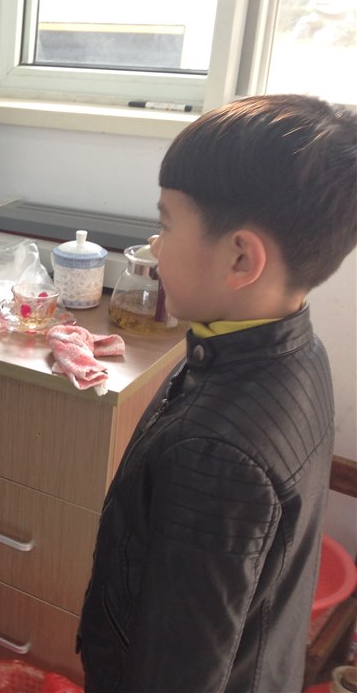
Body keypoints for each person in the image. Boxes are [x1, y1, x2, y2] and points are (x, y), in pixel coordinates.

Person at [77, 94, 356, 692]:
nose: (155, 246)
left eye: (166, 224)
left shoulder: (215, 454)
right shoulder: (292, 348)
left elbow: (179, 674)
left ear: (240, 257)